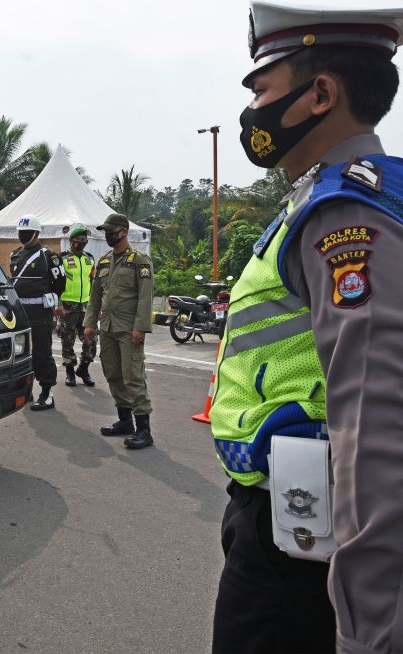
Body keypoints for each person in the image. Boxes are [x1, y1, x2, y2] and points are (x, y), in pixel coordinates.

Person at [210, 3, 403, 652]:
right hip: (297, 512)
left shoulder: (343, 211)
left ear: (320, 94)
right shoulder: (338, 197)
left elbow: (375, 422)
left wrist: (373, 632)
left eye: (263, 89)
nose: (253, 112)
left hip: (303, 535)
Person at [83, 214, 154, 449]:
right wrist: (90, 323)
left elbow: (145, 298)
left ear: (123, 231)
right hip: (109, 329)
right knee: (112, 373)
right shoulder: (104, 262)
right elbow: (95, 297)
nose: (107, 235)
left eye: (111, 231)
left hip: (129, 330)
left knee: (133, 377)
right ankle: (126, 422)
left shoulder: (139, 261)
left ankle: (144, 429)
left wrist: (140, 327)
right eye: (105, 231)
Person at [9, 214, 65, 411]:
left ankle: (47, 393)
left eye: (26, 233)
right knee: (20, 353)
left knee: (42, 352)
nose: (23, 236)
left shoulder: (48, 256)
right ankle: (25, 390)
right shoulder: (15, 254)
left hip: (40, 311)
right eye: (20, 233)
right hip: (19, 311)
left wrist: (51, 300)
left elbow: (60, 283)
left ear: (36, 233)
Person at [57, 225, 97, 387]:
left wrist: (97, 306)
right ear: (71, 241)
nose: (83, 242)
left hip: (87, 307)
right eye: (80, 240)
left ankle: (83, 369)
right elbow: (56, 283)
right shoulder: (63, 259)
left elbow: (94, 283)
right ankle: (70, 373)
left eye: (85, 240)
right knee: (68, 341)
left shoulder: (90, 259)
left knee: (91, 341)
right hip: (68, 307)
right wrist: (59, 304)